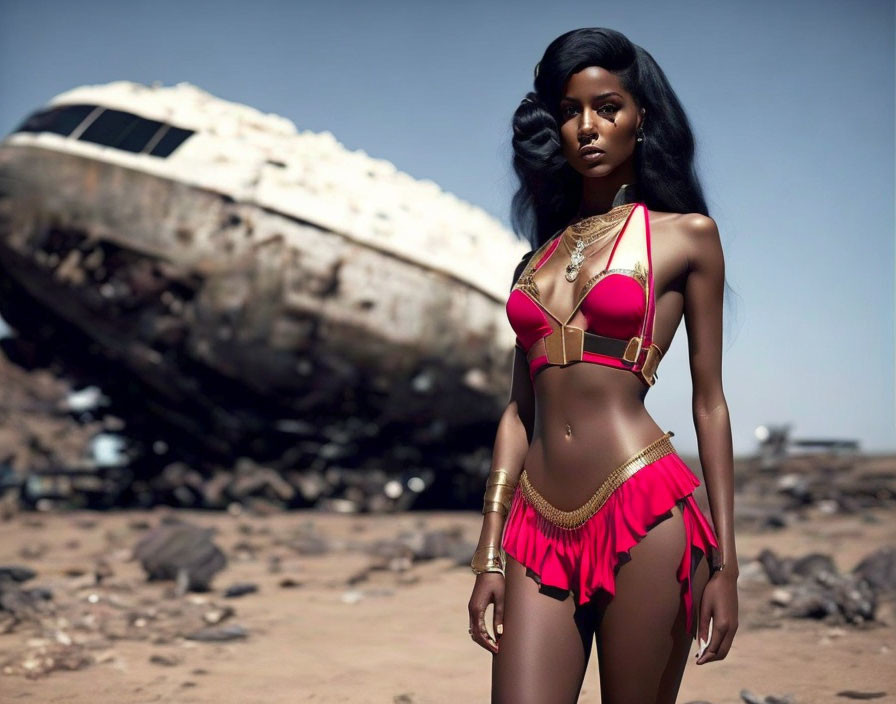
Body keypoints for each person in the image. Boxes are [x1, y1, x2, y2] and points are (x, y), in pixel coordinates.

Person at [467, 28, 739, 703]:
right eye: (568, 110)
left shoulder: (687, 237)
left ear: (641, 117)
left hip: (643, 508)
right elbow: (517, 411)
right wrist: (489, 550)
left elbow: (711, 403)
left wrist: (729, 568)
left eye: (607, 107)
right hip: (536, 522)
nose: (587, 127)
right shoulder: (535, 260)